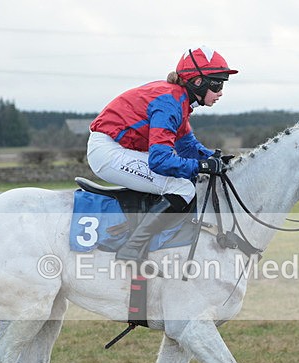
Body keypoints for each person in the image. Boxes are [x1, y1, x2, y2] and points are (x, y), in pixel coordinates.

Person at [87, 46, 238, 262]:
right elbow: (160, 160)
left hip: (117, 148)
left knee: (185, 180)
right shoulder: (169, 102)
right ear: (197, 82)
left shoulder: (178, 100)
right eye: (217, 83)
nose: (221, 91)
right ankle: (132, 248)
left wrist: (212, 158)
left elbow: (187, 146)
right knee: (182, 187)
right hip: (108, 152)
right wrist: (203, 166)